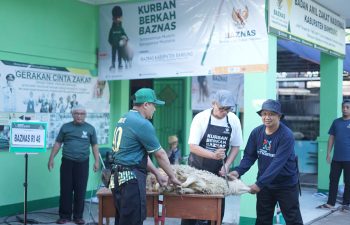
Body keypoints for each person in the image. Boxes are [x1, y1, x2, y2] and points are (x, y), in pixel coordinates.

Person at [111, 88, 181, 225]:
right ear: (146, 105)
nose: (155, 109)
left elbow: (140, 153)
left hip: (116, 177)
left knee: (122, 220)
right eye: (154, 105)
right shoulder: (142, 123)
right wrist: (172, 176)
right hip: (131, 178)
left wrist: (156, 173)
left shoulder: (124, 118)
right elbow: (160, 154)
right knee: (132, 221)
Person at [229, 99, 303, 225]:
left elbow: (277, 164)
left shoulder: (286, 135)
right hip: (266, 186)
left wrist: (258, 184)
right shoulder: (257, 132)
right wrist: (238, 171)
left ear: (279, 116)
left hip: (286, 185)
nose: (267, 117)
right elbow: (249, 156)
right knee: (263, 220)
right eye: (264, 114)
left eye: (271, 114)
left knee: (293, 220)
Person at [182, 90, 243, 225]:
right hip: (197, 170)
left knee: (216, 211)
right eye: (221, 108)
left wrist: (226, 165)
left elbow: (236, 146)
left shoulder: (233, 120)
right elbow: (193, 146)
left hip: (218, 173)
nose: (224, 112)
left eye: (228, 109)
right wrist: (212, 155)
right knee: (191, 210)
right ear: (213, 104)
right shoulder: (200, 118)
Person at [47, 105, 99, 225]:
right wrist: (51, 159)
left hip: (83, 162)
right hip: (67, 162)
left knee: (80, 189)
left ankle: (78, 216)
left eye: (82, 113)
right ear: (72, 114)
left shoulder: (90, 128)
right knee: (66, 189)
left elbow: (94, 146)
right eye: (76, 113)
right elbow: (58, 143)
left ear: (85, 115)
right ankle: (64, 215)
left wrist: (96, 161)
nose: (79, 116)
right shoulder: (66, 127)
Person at [317, 100, 350, 211]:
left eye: (347, 107)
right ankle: (330, 203)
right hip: (336, 158)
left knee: (348, 181)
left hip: (349, 159)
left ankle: (346, 204)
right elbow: (331, 138)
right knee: (333, 180)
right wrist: (328, 153)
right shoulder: (336, 122)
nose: (344, 109)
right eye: (343, 107)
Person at [108, 5, 128, 70]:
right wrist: (111, 43)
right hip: (114, 46)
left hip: (120, 46)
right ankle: (113, 65)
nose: (117, 19)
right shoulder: (112, 29)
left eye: (118, 17)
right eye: (115, 17)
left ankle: (120, 64)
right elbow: (109, 38)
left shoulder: (121, 28)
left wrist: (124, 40)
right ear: (113, 18)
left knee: (120, 55)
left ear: (121, 17)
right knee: (113, 55)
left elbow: (125, 36)